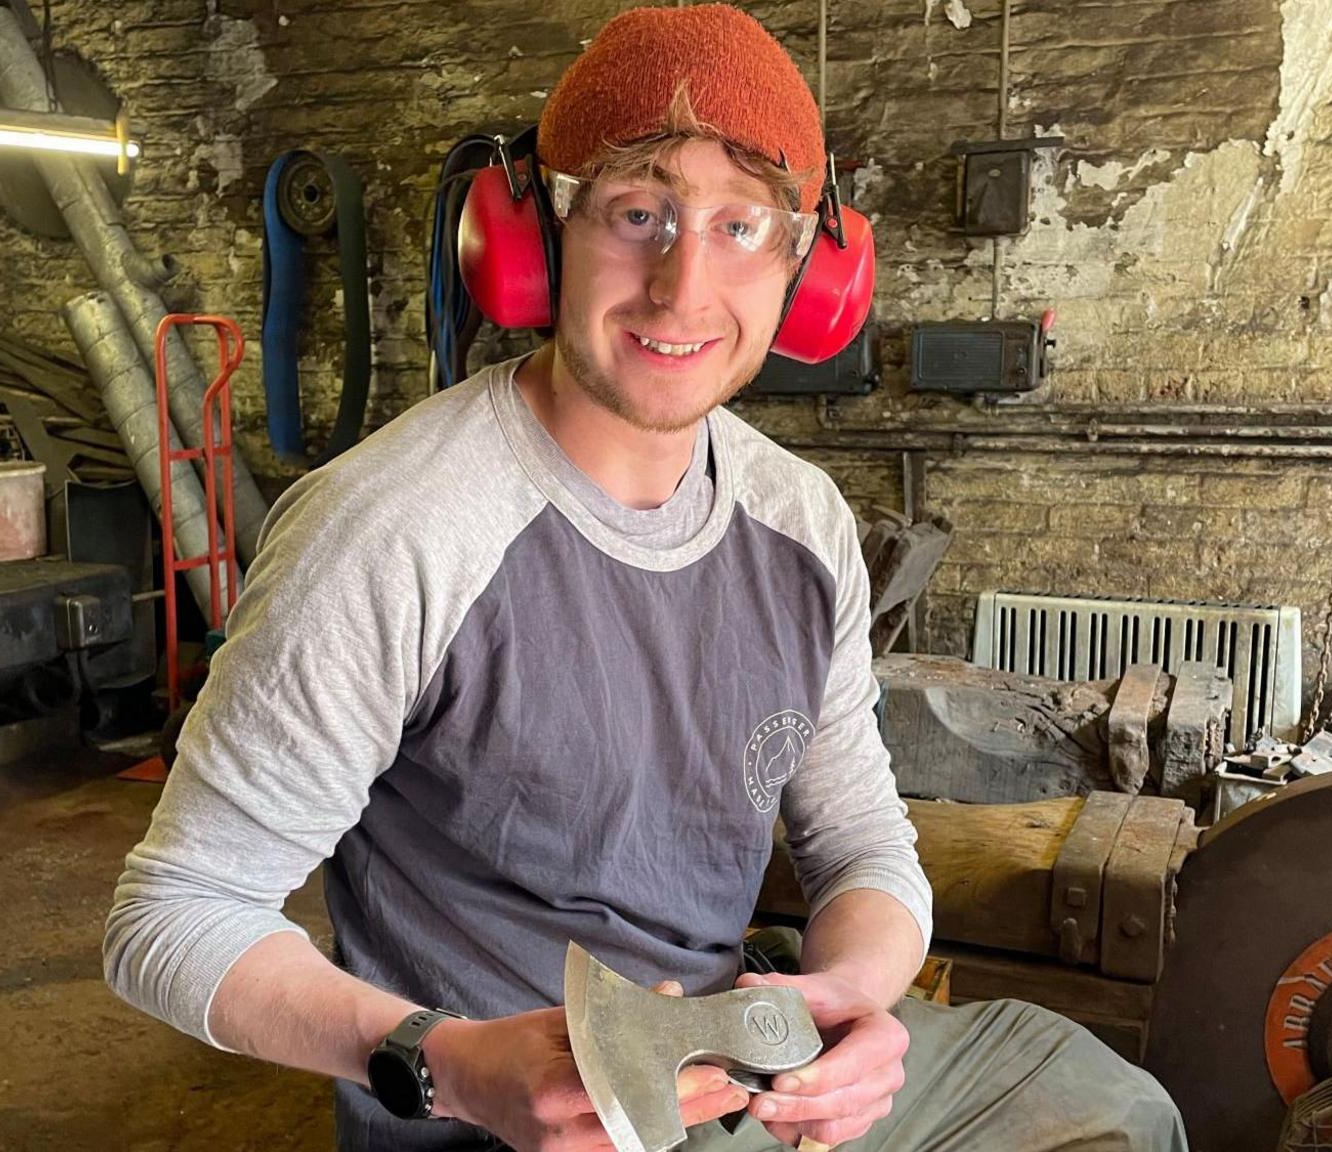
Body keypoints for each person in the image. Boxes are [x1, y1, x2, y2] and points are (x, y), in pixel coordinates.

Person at [105, 5, 1188, 1150]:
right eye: (637, 213)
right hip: (503, 1120)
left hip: (735, 1074)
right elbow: (173, 917)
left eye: (740, 226)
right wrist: (451, 1064)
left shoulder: (800, 522)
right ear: (531, 242)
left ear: (809, 273)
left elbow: (863, 843)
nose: (680, 290)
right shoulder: (392, 530)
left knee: (1114, 1104)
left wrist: (848, 1003)